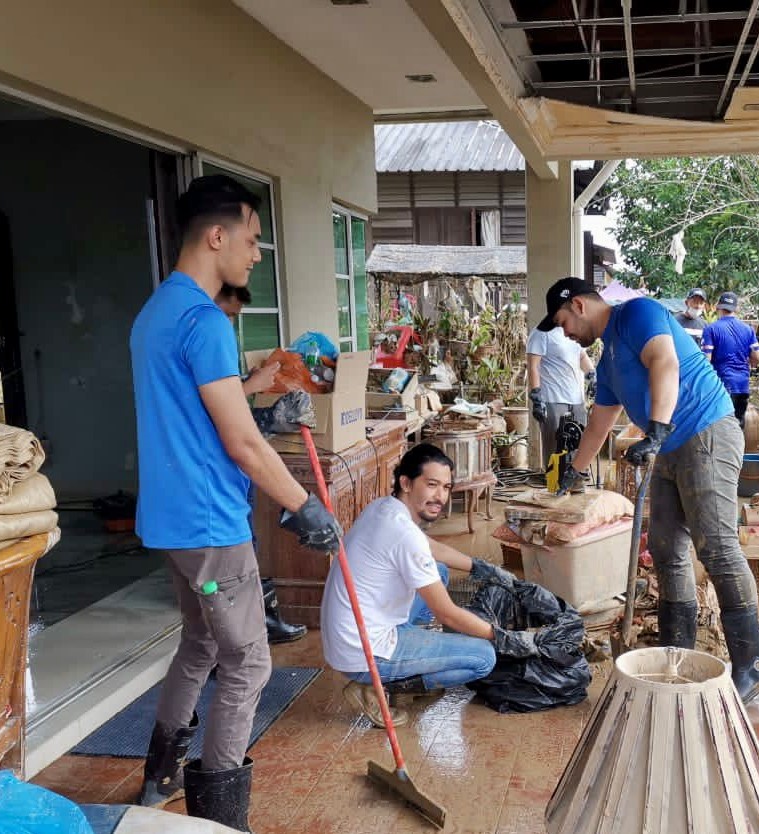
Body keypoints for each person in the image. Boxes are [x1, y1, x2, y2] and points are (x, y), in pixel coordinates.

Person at [130, 174, 341, 830]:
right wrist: (305, 506)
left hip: (172, 521)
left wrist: (267, 405)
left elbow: (203, 413)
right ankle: (219, 814)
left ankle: (158, 781)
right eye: (250, 239)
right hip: (210, 525)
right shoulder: (203, 319)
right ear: (215, 236)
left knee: (200, 642)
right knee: (249, 661)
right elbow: (242, 446)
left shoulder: (157, 312)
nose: (256, 254)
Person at [538, 277, 759, 703]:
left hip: (706, 432)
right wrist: (574, 471)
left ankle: (752, 668)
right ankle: (677, 653)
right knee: (666, 549)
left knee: (717, 548)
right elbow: (600, 422)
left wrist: (657, 429)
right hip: (669, 445)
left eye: (562, 322)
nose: (566, 334)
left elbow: (665, 361)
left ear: (578, 305)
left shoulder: (637, 312)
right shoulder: (609, 358)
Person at [320, 443, 531, 727]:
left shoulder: (383, 508)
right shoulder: (405, 535)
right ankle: (384, 685)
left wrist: (482, 567)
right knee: (483, 658)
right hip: (364, 654)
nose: (440, 496)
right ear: (406, 483)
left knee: (440, 572)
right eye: (431, 485)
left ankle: (405, 661)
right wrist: (503, 638)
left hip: (350, 636)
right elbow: (446, 613)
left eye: (445, 487)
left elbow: (429, 547)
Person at [215, 283, 307, 645]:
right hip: (214, 483)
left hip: (233, 478)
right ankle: (243, 632)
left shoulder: (215, 339)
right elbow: (207, 406)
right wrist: (251, 386)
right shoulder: (200, 329)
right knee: (236, 556)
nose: (231, 323)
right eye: (229, 313)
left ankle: (258, 620)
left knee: (248, 541)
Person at [526, 325, 595, 466]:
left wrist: (592, 375)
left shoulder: (573, 330)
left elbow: (581, 356)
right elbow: (533, 366)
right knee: (555, 446)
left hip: (576, 399)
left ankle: (576, 483)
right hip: (553, 398)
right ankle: (555, 484)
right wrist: (537, 397)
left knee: (579, 444)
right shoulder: (541, 332)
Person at [701, 291, 759, 427]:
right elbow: (757, 357)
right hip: (742, 385)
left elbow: (706, 359)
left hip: (721, 386)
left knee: (721, 427)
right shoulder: (748, 330)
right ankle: (738, 449)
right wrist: (749, 365)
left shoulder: (711, 329)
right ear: (735, 309)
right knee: (738, 425)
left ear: (718, 307)